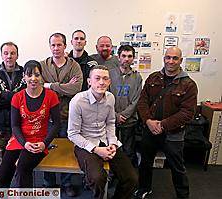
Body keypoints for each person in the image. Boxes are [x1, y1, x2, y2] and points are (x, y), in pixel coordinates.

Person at [135, 47, 198, 199]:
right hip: (149, 130)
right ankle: (144, 188)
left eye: (175, 58)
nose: (171, 61)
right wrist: (149, 121)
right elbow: (142, 102)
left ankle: (183, 195)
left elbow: (187, 113)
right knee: (145, 163)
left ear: (181, 60)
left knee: (177, 167)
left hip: (173, 134)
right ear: (164, 58)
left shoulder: (189, 85)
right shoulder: (153, 78)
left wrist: (162, 125)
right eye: (168, 57)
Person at [68, 65, 138, 199]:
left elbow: (110, 123)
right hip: (85, 144)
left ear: (109, 82)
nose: (101, 82)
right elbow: (73, 134)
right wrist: (96, 150)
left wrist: (112, 143)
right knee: (98, 178)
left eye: (105, 79)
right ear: (89, 81)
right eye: (97, 78)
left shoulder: (110, 98)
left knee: (132, 178)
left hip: (105, 140)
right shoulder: (77, 101)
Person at [0, 60, 60, 188]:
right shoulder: (17, 97)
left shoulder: (51, 96)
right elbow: (14, 125)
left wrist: (45, 143)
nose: (33, 78)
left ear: (41, 76)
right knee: (2, 175)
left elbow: (57, 124)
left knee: (22, 169)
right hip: (20, 139)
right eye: (29, 75)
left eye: (37, 74)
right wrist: (24, 143)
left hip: (39, 141)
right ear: (24, 77)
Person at [40, 32, 83, 197]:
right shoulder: (42, 65)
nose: (56, 48)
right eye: (53, 45)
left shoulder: (74, 66)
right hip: (46, 116)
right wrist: (63, 87)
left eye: (59, 45)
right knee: (46, 149)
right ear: (50, 46)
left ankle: (66, 184)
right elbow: (37, 86)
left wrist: (50, 85)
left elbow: (76, 88)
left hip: (67, 116)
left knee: (67, 150)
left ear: (65, 46)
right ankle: (48, 183)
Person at [0, 42, 26, 187]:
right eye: (6, 53)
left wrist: (2, 94)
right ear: (1, 55)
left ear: (17, 55)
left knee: (20, 166)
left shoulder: (25, 74)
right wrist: (13, 97)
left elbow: (25, 101)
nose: (9, 56)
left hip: (21, 128)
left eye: (12, 53)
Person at [109, 45, 142, 166]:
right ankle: (112, 177)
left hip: (130, 121)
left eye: (129, 56)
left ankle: (128, 179)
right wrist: (115, 115)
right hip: (111, 120)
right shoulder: (109, 74)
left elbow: (136, 99)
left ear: (133, 58)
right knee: (112, 150)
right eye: (123, 56)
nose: (126, 59)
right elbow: (105, 97)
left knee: (129, 151)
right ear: (118, 57)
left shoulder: (137, 77)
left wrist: (124, 115)